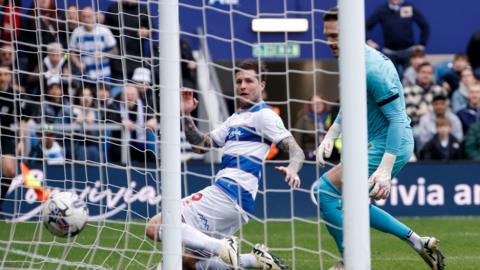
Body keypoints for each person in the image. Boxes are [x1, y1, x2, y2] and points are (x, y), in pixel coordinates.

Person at [315, 8, 444, 270]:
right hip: (376, 142)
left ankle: (347, 262)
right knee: (349, 203)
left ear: (353, 33)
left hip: (392, 143)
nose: (331, 43)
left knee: (325, 192)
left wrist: (385, 170)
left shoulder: (372, 67)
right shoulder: (351, 59)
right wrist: (332, 134)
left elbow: (398, 120)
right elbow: (353, 100)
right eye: (327, 36)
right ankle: (420, 243)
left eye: (336, 36)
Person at [145, 60, 304, 269]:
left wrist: (293, 168)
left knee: (155, 226)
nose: (243, 86)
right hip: (237, 203)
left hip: (228, 193)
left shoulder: (264, 115)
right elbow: (201, 145)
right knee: (189, 262)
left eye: (249, 81)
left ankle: (222, 247)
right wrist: (186, 114)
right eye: (239, 81)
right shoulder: (235, 118)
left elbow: (296, 150)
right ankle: (254, 260)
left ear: (262, 86)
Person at [366, 0, 430, 78]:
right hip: (389, 52)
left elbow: (425, 26)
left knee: (410, 77)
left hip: (408, 51)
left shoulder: (408, 7)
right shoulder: (381, 10)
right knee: (390, 78)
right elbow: (365, 27)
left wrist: (422, 45)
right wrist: (369, 40)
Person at [404, 62, 447, 127]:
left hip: (436, 126)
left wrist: (429, 112)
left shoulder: (440, 91)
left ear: (432, 75)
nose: (426, 75)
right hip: (414, 126)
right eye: (423, 72)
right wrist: (417, 112)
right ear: (417, 73)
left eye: (429, 73)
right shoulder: (407, 91)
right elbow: (403, 112)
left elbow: (447, 110)